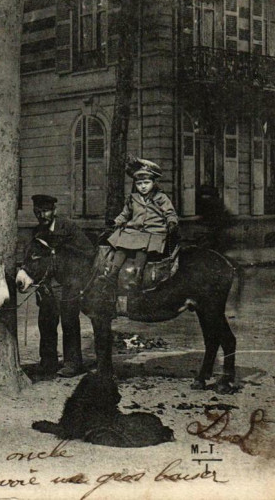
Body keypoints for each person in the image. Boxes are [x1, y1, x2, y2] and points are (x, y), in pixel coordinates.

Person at [26, 194, 96, 378]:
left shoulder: (69, 228)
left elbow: (89, 252)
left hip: (68, 283)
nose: (42, 215)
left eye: (46, 211)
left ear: (54, 211)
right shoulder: (37, 232)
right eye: (38, 212)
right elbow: (30, 256)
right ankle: (48, 362)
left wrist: (64, 254)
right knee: (46, 322)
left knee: (69, 322)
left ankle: (73, 363)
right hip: (47, 285)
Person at [100, 158, 179, 290]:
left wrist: (171, 222)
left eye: (146, 183)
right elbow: (125, 214)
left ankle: (137, 276)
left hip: (153, 231)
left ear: (153, 183)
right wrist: (116, 221)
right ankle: (113, 274)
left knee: (142, 250)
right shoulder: (133, 199)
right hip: (134, 230)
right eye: (139, 183)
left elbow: (170, 213)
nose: (143, 186)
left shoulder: (161, 198)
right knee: (121, 246)